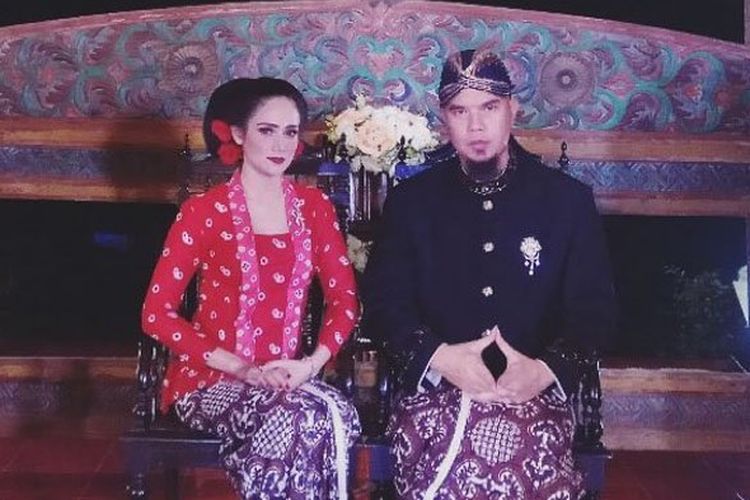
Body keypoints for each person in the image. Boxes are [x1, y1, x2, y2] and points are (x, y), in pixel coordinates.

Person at [363, 48, 616, 499]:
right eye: (460, 111)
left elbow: (594, 311)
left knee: (516, 452)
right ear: (444, 118)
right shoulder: (412, 203)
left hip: (533, 397)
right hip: (435, 394)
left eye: (489, 108)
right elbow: (384, 304)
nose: (476, 126)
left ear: (512, 110)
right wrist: (440, 359)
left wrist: (544, 371)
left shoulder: (566, 201)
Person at [141, 77, 361, 499]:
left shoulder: (314, 208)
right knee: (289, 418)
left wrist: (310, 365)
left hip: (288, 378)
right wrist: (242, 369)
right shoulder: (203, 211)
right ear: (238, 134)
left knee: (334, 413)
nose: (280, 144)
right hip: (208, 380)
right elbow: (155, 314)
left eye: (290, 132)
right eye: (267, 130)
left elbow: (344, 301)